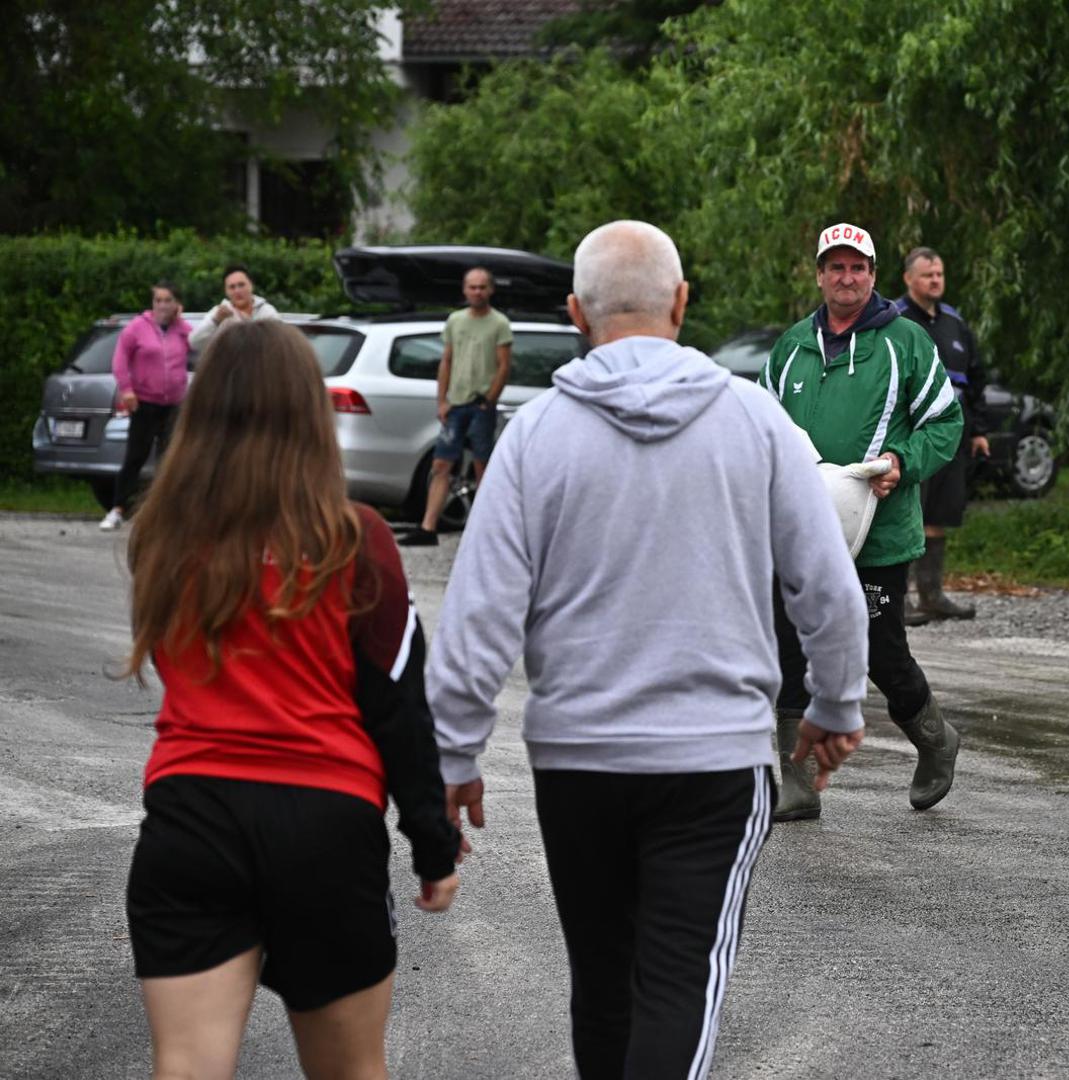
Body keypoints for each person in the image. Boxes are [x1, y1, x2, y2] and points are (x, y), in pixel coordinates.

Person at [428, 221, 868, 1079]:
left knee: (602, 986)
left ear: (573, 313)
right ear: (681, 301)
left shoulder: (534, 436)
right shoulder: (757, 421)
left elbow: (479, 615)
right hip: (713, 764)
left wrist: (453, 754)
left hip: (576, 763)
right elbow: (826, 585)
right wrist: (836, 705)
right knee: (676, 990)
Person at [122, 320, 461, 1079]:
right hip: (324, 826)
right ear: (311, 413)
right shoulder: (356, 539)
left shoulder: (164, 536)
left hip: (191, 814)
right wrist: (432, 844)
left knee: (186, 1067)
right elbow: (399, 709)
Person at [759, 222, 967, 822]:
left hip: (876, 530)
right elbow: (763, 428)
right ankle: (797, 784)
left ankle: (935, 739)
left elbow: (944, 424)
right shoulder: (791, 346)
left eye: (857, 267)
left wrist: (905, 462)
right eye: (835, 267)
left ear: (873, 275)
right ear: (819, 274)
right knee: (790, 645)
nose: (845, 277)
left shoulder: (905, 342)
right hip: (799, 530)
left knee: (878, 648)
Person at [894, 246, 990, 624]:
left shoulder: (954, 322)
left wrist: (978, 430)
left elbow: (977, 376)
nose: (935, 281)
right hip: (913, 433)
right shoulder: (895, 320)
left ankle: (931, 596)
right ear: (908, 279)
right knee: (907, 512)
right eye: (927, 275)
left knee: (939, 513)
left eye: (939, 274)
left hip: (953, 432)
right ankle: (898, 602)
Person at [398, 267, 512, 546]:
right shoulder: (455, 321)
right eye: (472, 287)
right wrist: (442, 400)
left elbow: (504, 365)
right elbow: (446, 361)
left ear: (491, 290)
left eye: (482, 287)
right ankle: (428, 527)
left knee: (481, 466)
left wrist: (490, 400)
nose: (477, 292)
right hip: (456, 404)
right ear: (464, 290)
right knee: (441, 464)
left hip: (481, 404)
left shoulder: (499, 324)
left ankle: (482, 530)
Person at [100, 282, 191, 531]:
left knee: (170, 459)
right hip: (145, 403)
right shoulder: (137, 328)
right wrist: (127, 389)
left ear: (176, 305)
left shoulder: (181, 329)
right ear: (153, 304)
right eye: (158, 300)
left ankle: (165, 511)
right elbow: (119, 359)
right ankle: (117, 509)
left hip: (173, 405)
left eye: (168, 300)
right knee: (135, 457)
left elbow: (197, 343)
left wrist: (181, 322)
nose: (162, 305)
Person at [187, 263, 280, 351]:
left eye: (241, 285)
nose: (237, 291)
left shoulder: (267, 312)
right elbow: (194, 343)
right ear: (226, 291)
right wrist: (215, 321)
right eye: (232, 287)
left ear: (251, 285)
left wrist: (247, 324)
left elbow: (279, 343)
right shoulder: (218, 313)